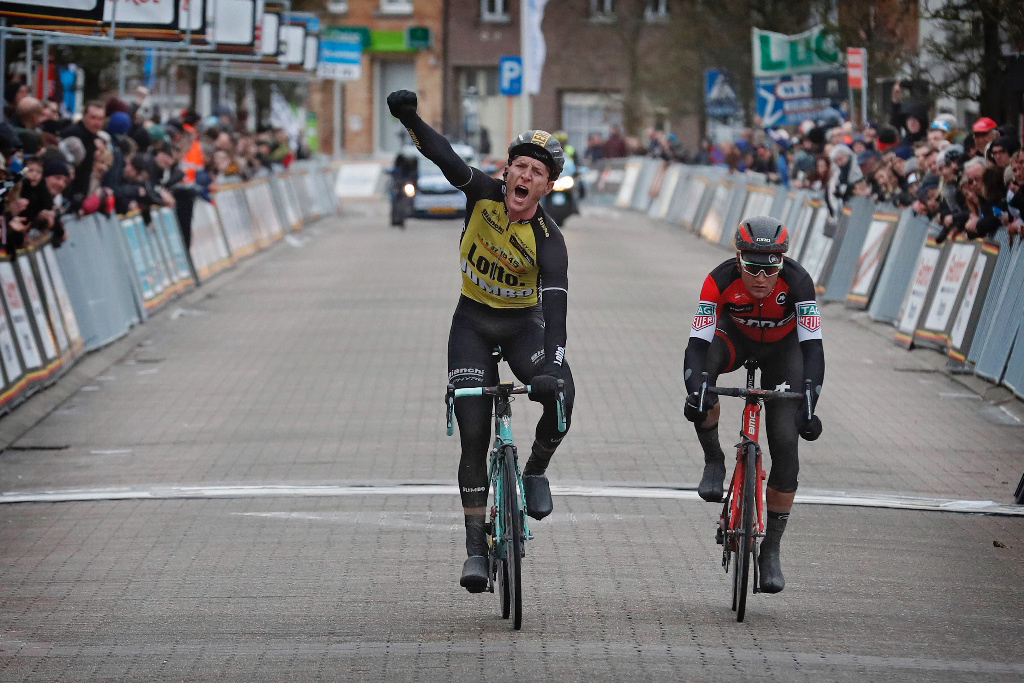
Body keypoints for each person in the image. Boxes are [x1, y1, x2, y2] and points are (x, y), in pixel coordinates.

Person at [386, 89, 575, 593]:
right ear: (507, 171)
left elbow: (555, 312)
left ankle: (534, 469)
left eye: (536, 172)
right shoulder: (484, 194)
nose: (524, 177)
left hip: (521, 326)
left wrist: (553, 367)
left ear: (546, 187)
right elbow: (444, 154)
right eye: (519, 167)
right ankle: (475, 547)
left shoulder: (550, 240)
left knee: (562, 392)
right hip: (471, 322)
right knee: (473, 430)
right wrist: (411, 119)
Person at [683, 216, 825, 594]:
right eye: (752, 267)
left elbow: (812, 348)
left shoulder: (799, 282)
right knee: (703, 387)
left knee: (785, 443)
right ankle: (714, 459)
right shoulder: (718, 279)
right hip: (736, 340)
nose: (761, 277)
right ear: (738, 258)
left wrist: (810, 401)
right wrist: (696, 386)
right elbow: (697, 343)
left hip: (784, 351)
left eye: (771, 267)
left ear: (783, 263)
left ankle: (771, 549)